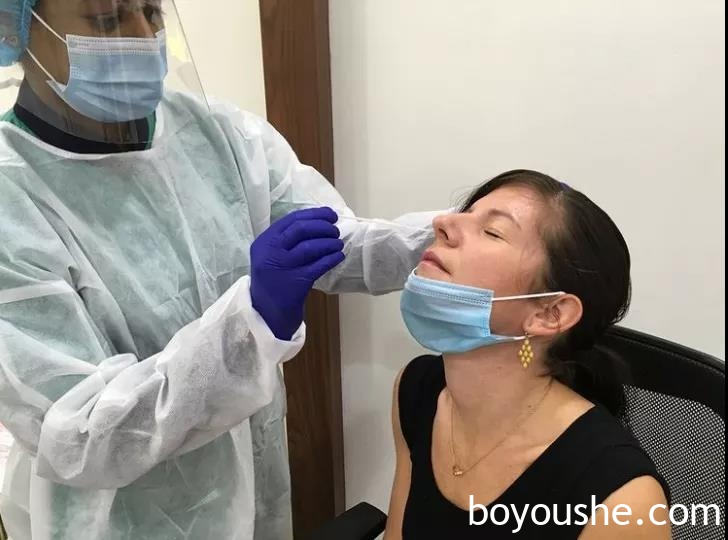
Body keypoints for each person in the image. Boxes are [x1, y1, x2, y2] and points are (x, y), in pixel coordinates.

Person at [0, 1, 437, 539]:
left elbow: (333, 241)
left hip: (252, 494)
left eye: (152, 11)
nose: (143, 35)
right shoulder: (11, 198)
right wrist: (251, 322)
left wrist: (449, 236)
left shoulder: (216, 132)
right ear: (14, 27)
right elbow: (83, 434)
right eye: (107, 19)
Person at [385, 170, 671, 539]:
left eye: (492, 232)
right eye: (465, 213)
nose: (443, 223)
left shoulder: (622, 498)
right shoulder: (416, 390)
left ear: (550, 314)